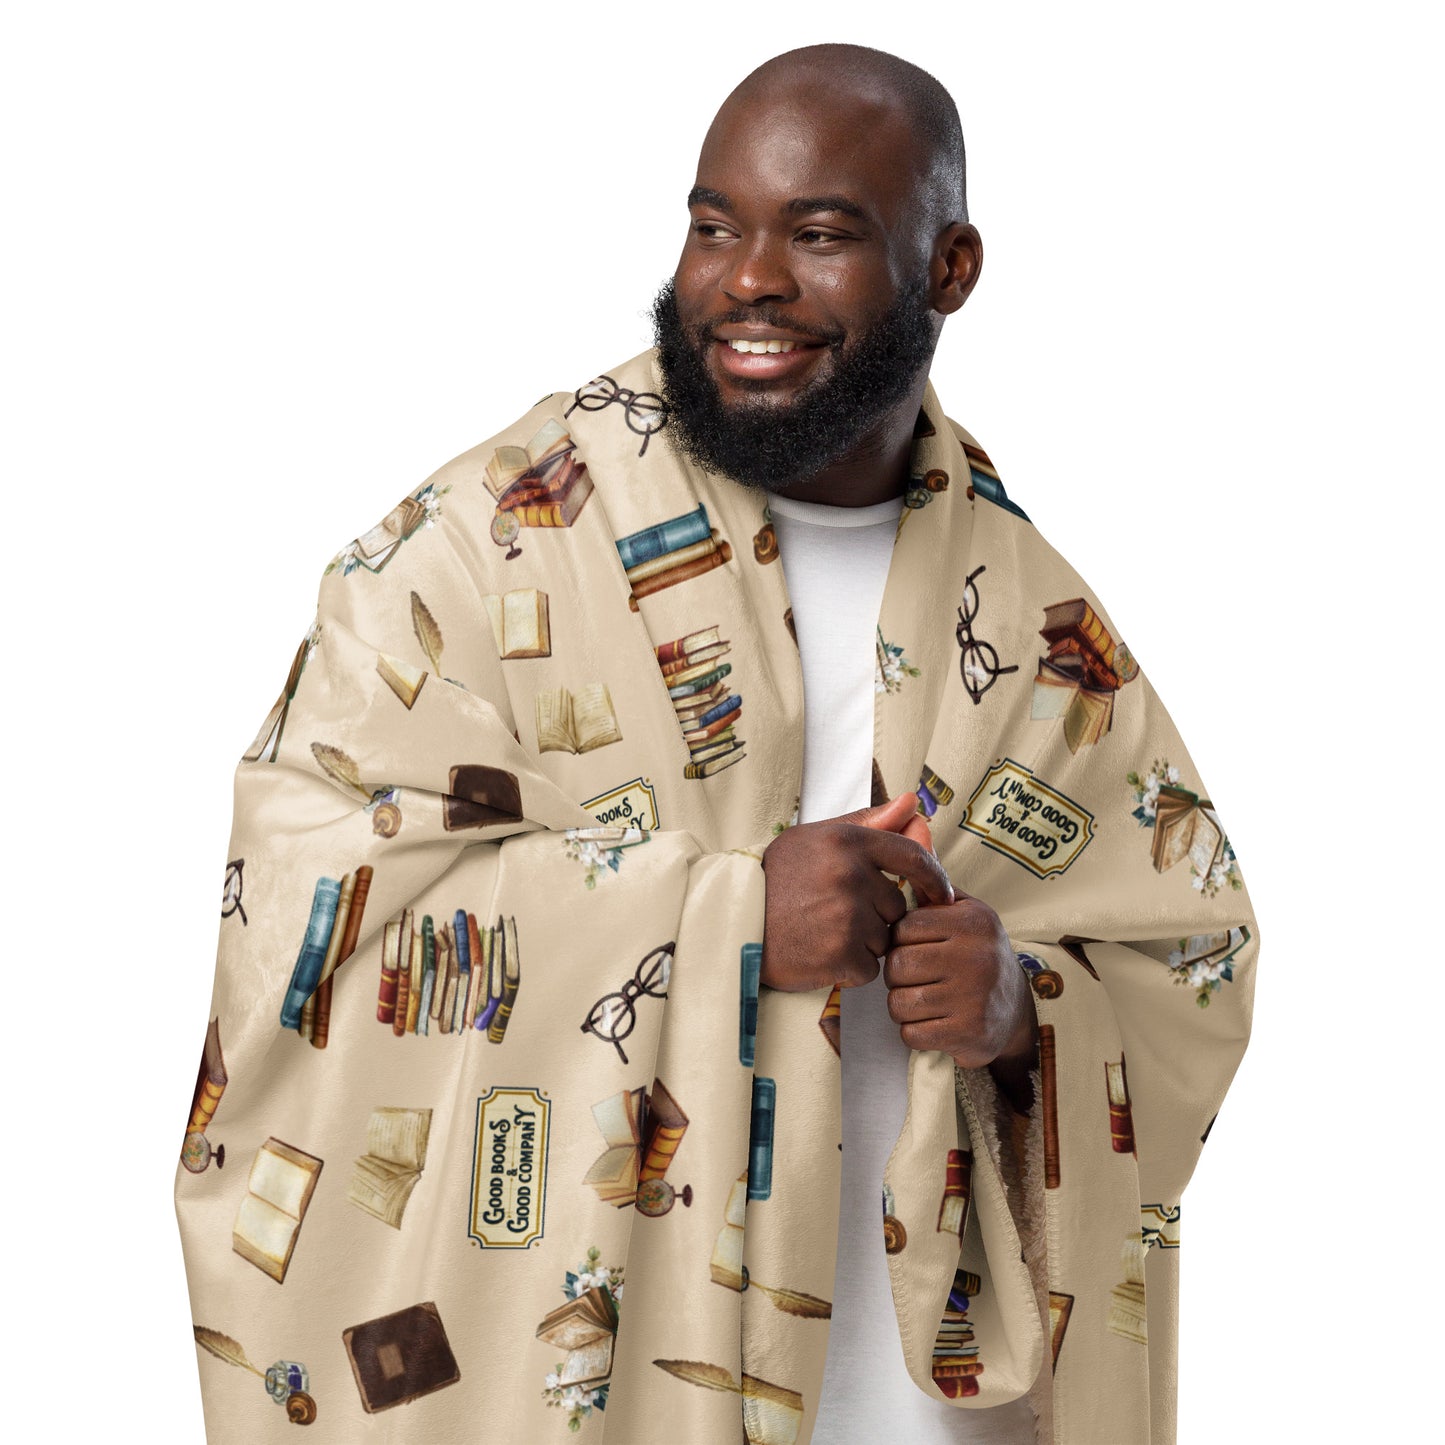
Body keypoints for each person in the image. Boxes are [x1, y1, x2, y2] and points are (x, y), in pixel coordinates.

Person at [176, 43, 1257, 1445]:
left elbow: (1188, 959)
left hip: (923, 1407)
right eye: (712, 226)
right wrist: (731, 917)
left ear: (949, 269)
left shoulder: (1032, 618)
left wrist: (1019, 1015)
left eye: (820, 234)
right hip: (608, 1392)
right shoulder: (485, 551)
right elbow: (299, 908)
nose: (748, 278)